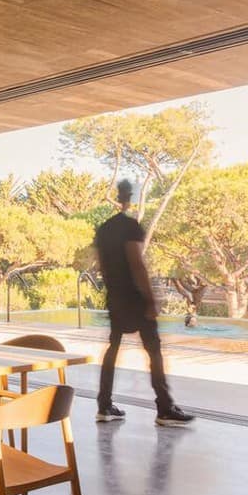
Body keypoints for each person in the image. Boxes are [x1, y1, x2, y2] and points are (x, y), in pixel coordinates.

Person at [94, 179, 194, 427]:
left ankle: (104, 405)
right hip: (135, 299)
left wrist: (114, 291)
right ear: (131, 196)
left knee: (112, 349)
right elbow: (137, 264)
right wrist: (151, 298)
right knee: (154, 350)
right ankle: (165, 407)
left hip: (115, 297)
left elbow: (102, 266)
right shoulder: (130, 226)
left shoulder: (103, 229)